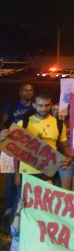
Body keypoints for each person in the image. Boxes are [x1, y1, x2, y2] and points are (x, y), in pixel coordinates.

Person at [17, 93, 72, 185]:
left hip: (48, 171)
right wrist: (16, 174)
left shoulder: (59, 125)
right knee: (27, 199)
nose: (44, 108)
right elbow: (14, 149)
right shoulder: (23, 123)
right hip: (27, 170)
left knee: (45, 199)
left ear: (51, 105)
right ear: (34, 105)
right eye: (40, 105)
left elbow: (64, 146)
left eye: (47, 105)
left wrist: (69, 158)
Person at [2, 82, 34, 218]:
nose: (29, 93)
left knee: (25, 178)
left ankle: (24, 207)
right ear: (20, 92)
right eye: (25, 90)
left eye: (31, 90)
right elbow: (2, 121)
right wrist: (6, 131)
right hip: (12, 145)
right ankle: (9, 207)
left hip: (30, 147)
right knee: (11, 178)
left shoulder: (35, 106)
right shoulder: (12, 106)